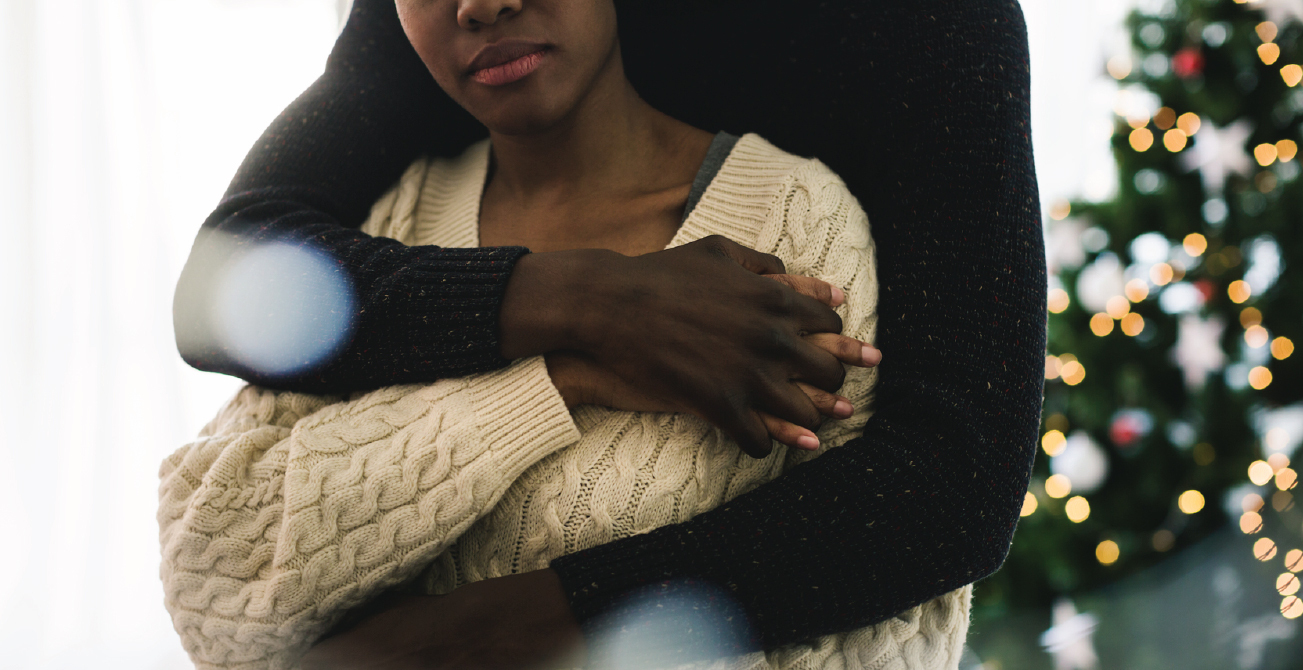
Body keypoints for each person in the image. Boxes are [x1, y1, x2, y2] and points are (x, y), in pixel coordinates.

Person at [165, 0, 1046, 667]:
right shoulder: (409, 164)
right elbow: (222, 294)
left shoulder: (894, 83)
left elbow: (945, 489)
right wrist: (590, 317)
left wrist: (470, 639)